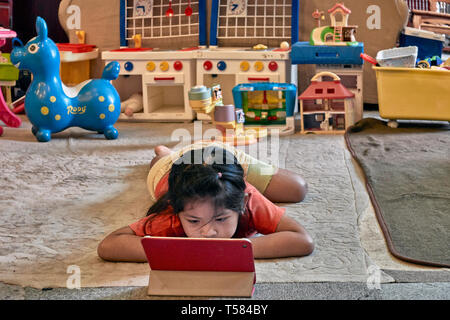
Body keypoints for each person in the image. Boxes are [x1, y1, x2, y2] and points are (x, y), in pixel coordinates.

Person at [98, 141, 314, 262]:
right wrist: (180, 251)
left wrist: (237, 249)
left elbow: (303, 240)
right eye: (193, 221)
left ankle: (222, 151)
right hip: (172, 165)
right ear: (177, 211)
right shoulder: (172, 214)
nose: (208, 232)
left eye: (220, 218)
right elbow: (109, 245)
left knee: (298, 188)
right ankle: (165, 151)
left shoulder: (248, 200)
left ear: (242, 203)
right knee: (159, 160)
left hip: (223, 157)